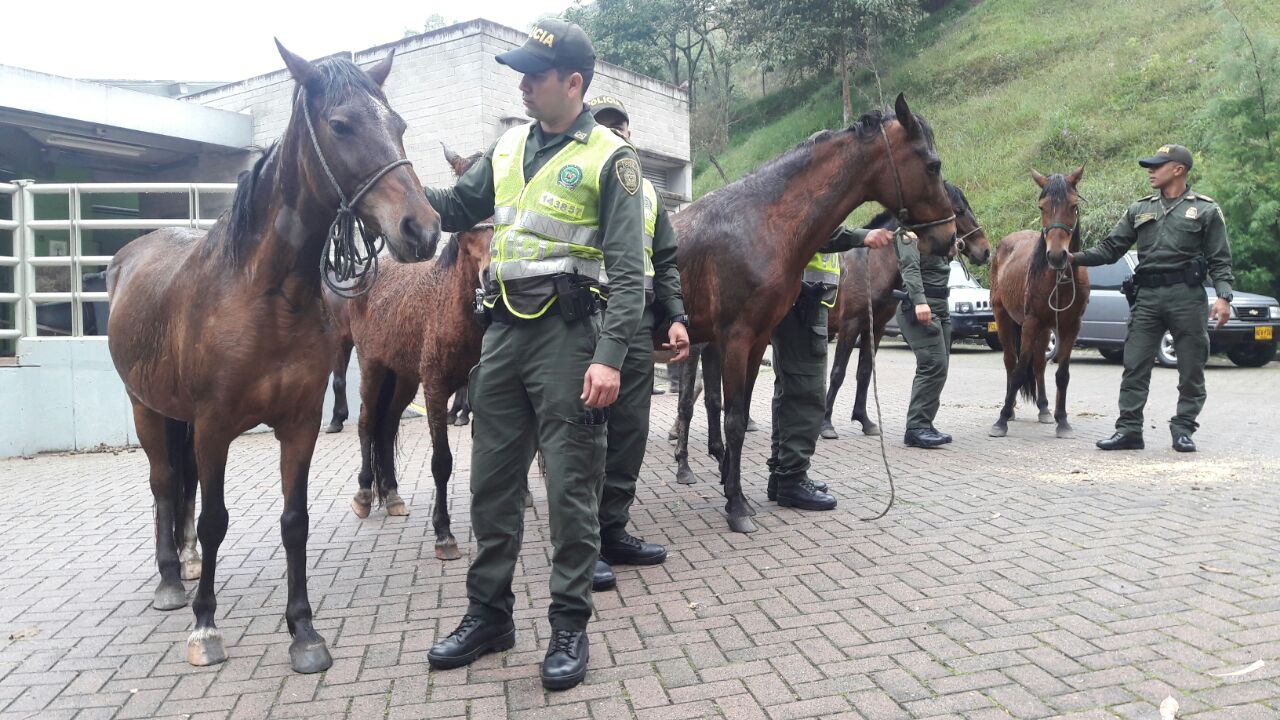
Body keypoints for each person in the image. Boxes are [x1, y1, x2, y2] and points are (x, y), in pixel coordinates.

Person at [423, 19, 646, 691]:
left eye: (535, 75)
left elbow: (629, 274)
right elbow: (455, 206)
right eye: (520, 74)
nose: (522, 84)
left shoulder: (613, 159)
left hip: (571, 335)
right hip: (503, 334)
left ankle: (570, 626)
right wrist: (391, 185)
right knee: (491, 484)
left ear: (572, 83)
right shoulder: (508, 146)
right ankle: (489, 616)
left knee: (572, 489)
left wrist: (609, 356)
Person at [586, 96, 690, 592]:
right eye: (604, 126)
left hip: (638, 318)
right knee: (586, 430)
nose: (615, 134)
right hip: (586, 314)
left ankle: (613, 531)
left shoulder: (647, 192)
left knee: (630, 428)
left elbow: (665, 260)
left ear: (630, 135)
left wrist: (675, 316)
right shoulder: (581, 173)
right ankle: (582, 544)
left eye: (620, 127)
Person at [1070, 144, 1233, 453]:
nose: (1150, 170)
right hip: (1147, 297)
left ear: (1178, 170)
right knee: (1134, 365)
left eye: (1157, 165)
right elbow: (1111, 248)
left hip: (1186, 297)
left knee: (1191, 368)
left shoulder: (1206, 209)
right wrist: (1072, 258)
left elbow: (1220, 260)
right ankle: (1129, 430)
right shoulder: (1140, 208)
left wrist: (1224, 297)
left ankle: (1183, 428)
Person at [766, 225, 894, 508]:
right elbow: (816, 230)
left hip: (803, 299)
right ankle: (791, 478)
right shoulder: (813, 190)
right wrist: (862, 237)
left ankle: (782, 472)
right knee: (807, 391)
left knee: (789, 388)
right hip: (804, 302)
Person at [895, 227, 955, 449]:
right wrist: (920, 301)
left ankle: (925, 423)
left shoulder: (935, 232)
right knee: (932, 363)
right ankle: (916, 428)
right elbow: (910, 268)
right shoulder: (908, 233)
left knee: (941, 367)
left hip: (941, 306)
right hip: (921, 307)